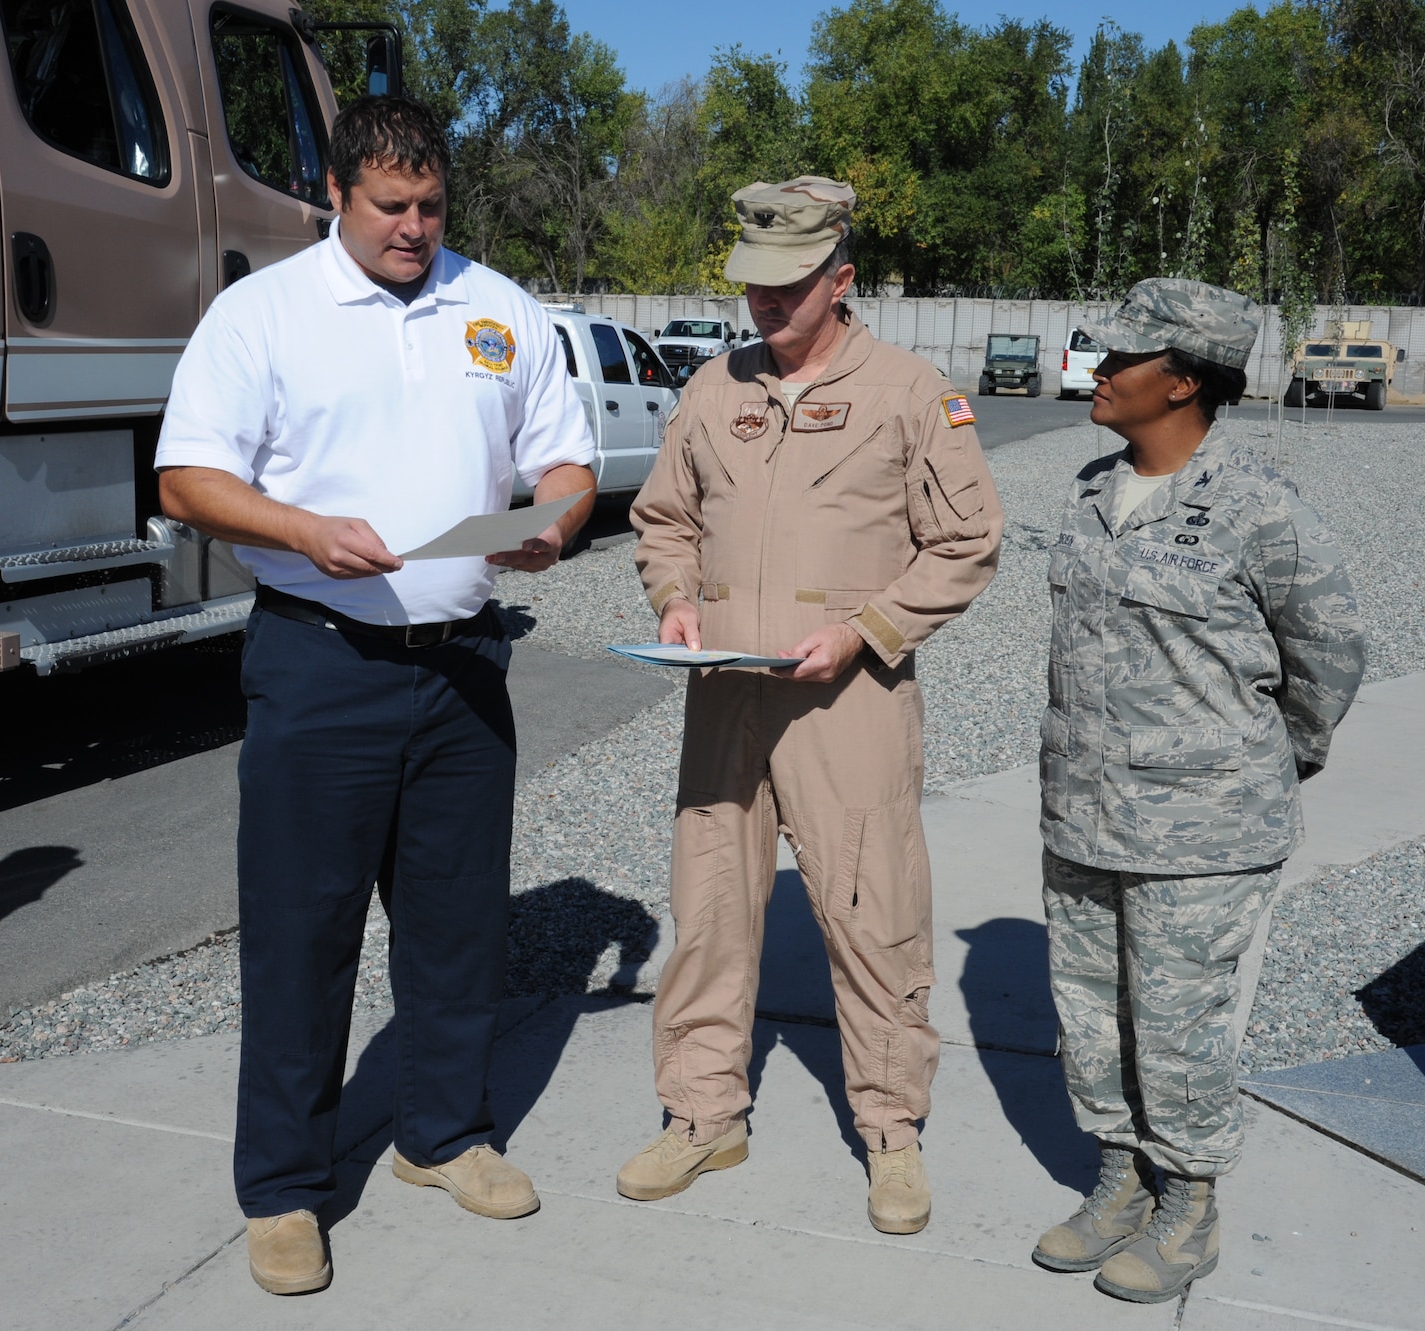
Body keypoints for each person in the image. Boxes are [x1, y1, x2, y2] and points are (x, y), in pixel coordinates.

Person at [155, 96, 597, 1297]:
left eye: (430, 206)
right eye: (388, 207)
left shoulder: (496, 307)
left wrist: (551, 525)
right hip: (321, 657)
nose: (413, 228)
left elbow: (564, 461)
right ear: (335, 198)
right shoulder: (264, 315)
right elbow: (188, 476)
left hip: (464, 662)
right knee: (304, 933)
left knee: (459, 923)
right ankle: (286, 1189)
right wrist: (301, 528)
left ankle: (441, 1134)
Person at [623, 177, 1003, 1234]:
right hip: (725, 698)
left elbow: (967, 542)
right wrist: (674, 599)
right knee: (707, 910)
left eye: (787, 288)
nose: (763, 306)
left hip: (848, 699)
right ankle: (703, 1113)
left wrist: (864, 631)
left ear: (840, 278)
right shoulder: (710, 388)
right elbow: (664, 518)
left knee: (871, 913)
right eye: (751, 287)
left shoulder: (909, 392)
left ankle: (889, 1131)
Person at [1029, 279, 1365, 1303]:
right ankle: (1119, 1177)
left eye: (1118, 359)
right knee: (1089, 1016)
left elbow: (1329, 652)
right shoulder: (1090, 490)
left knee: (1176, 1025)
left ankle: (1188, 1203)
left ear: (1180, 381)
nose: (1095, 371)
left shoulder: (1260, 508)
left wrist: (1272, 755)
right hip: (1082, 815)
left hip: (1202, 830)